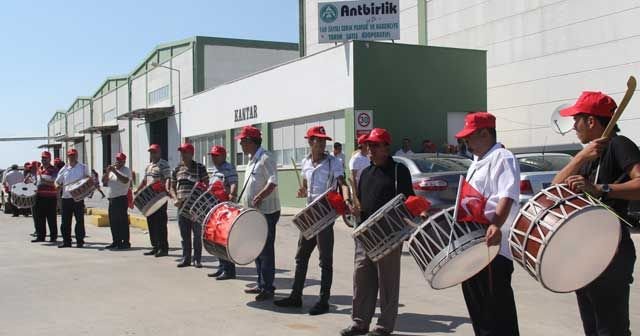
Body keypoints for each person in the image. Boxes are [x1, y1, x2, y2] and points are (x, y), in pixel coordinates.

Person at [551, 91, 638, 336]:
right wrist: (580, 157)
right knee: (593, 328)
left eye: (577, 119)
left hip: (612, 249)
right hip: (585, 252)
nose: (573, 126)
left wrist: (600, 189)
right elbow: (554, 189)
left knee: (611, 329)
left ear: (591, 121)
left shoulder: (619, 145)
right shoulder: (589, 155)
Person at [341, 128, 415, 336]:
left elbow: (408, 200)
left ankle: (384, 326)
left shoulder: (399, 171)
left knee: (388, 282)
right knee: (361, 278)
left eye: (374, 145)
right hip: (366, 235)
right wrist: (355, 209)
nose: (369, 149)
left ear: (386, 147)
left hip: (390, 234)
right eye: (367, 145)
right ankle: (360, 322)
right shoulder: (365, 173)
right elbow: (363, 205)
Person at [454, 112, 521, 335]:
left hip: (494, 249)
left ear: (485, 133)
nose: (466, 143)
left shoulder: (502, 156)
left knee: (497, 316)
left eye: (469, 137)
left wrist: (496, 224)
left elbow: (507, 195)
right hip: (475, 245)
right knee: (480, 313)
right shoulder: (477, 162)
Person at [274, 126, 349, 315]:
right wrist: (302, 191)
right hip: (310, 214)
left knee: (325, 260)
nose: (323, 144)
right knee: (301, 257)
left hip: (324, 214)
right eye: (319, 140)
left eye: (324, 140)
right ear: (310, 142)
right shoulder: (305, 162)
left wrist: (347, 199)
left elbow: (342, 183)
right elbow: (306, 185)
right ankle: (296, 296)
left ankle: (323, 301)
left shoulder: (333, 163)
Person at [236, 125, 280, 301]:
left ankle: (268, 287)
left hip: (267, 212)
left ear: (250, 141)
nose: (240, 144)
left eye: (242, 141)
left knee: (266, 250)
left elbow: (273, 181)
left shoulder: (265, 158)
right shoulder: (252, 158)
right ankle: (261, 283)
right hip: (253, 213)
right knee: (256, 248)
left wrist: (260, 196)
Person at [169, 143, 209, 268]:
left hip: (196, 207)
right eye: (181, 152)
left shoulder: (200, 168)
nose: (182, 155)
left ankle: (197, 259)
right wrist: (175, 199)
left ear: (191, 154)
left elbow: (207, 185)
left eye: (185, 152)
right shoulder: (177, 169)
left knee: (197, 235)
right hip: (181, 207)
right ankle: (186, 258)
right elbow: (172, 187)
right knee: (184, 235)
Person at [206, 145, 239, 280]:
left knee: (224, 239)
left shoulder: (228, 168)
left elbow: (233, 183)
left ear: (223, 156)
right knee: (216, 238)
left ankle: (229, 270)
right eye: (212, 156)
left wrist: (232, 194)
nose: (213, 158)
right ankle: (221, 267)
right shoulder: (215, 170)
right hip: (215, 207)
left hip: (224, 208)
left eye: (216, 155)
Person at [136, 144, 171, 257]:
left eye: (154, 152)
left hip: (160, 197)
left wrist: (167, 189)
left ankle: (163, 248)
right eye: (151, 152)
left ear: (159, 152)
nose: (153, 154)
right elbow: (145, 180)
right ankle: (155, 246)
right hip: (150, 199)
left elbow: (167, 179)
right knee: (151, 223)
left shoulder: (163, 164)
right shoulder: (149, 166)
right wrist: (138, 190)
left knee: (160, 224)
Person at [55, 148, 90, 248]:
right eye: (70, 155)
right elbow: (57, 181)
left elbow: (88, 179)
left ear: (77, 156)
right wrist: (56, 186)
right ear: (68, 156)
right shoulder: (64, 168)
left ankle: (80, 241)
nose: (72, 157)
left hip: (78, 198)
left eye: (73, 155)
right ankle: (67, 241)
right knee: (65, 222)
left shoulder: (83, 167)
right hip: (66, 198)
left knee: (79, 221)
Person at [102, 152, 131, 250]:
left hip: (121, 198)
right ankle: (116, 241)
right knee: (113, 222)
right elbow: (104, 181)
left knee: (122, 221)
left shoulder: (126, 170)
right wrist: (107, 172)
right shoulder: (112, 171)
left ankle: (125, 242)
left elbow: (125, 180)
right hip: (112, 199)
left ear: (124, 161)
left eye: (120, 160)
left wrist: (115, 171)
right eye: (117, 159)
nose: (118, 161)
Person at [33, 151, 59, 243]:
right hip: (39, 196)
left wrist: (45, 182)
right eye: (42, 158)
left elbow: (56, 183)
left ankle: (53, 236)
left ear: (49, 159)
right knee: (40, 218)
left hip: (50, 197)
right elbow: (36, 182)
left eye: (45, 158)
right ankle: (41, 236)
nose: (43, 160)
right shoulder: (39, 169)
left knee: (51, 218)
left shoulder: (54, 170)